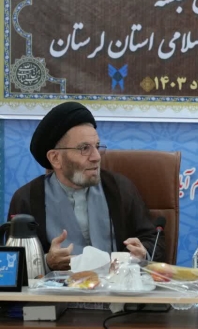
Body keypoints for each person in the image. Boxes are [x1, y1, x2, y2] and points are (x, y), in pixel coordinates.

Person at [7, 102, 165, 271]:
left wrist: (143, 253)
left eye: (97, 146)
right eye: (84, 148)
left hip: (115, 286)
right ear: (55, 158)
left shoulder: (119, 188)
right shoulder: (27, 199)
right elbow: (12, 263)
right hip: (57, 288)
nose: (96, 157)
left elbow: (153, 238)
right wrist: (47, 262)